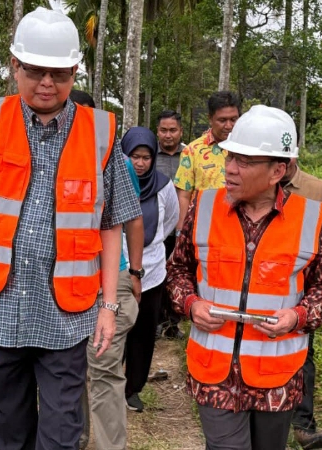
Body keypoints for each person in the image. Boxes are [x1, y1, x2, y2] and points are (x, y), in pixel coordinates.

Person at [0, 8, 142, 450]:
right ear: (15, 66)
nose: (47, 84)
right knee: (8, 436)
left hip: (67, 318)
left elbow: (111, 223)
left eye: (60, 74)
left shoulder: (101, 132)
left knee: (60, 439)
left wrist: (110, 305)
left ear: (75, 71)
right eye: (35, 71)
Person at [166, 105, 322, 450]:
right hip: (213, 371)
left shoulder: (308, 218)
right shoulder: (203, 207)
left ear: (278, 169)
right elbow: (177, 272)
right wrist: (190, 303)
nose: (230, 169)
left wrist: (297, 316)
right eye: (230, 157)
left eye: (244, 162)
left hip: (277, 375)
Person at [69, 89, 144, 450]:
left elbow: (131, 220)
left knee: (102, 368)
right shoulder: (51, 157)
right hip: (70, 280)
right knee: (71, 369)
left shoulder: (114, 158)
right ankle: (77, 439)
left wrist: (137, 273)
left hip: (109, 280)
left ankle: (110, 446)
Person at [281, 160, 322, 450]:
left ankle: (303, 425)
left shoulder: (317, 190)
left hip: (300, 292)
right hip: (253, 288)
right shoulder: (248, 184)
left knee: (303, 357)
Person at [120, 127, 180, 413]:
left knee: (144, 333)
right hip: (118, 268)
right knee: (117, 327)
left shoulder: (164, 186)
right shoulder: (116, 181)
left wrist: (150, 248)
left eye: (146, 157)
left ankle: (133, 388)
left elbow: (170, 221)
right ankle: (111, 380)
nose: (140, 163)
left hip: (153, 271)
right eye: (134, 156)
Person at [173, 90, 241, 232]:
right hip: (203, 228)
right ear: (210, 119)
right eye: (222, 120)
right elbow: (184, 196)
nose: (228, 126)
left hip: (240, 227)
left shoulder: (249, 149)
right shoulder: (192, 151)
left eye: (233, 119)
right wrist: (181, 231)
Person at [155, 109, 187, 340]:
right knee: (155, 273)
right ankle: (155, 322)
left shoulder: (189, 155)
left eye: (172, 130)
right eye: (163, 130)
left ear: (180, 132)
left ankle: (173, 323)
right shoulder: (147, 154)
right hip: (153, 227)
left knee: (177, 272)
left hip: (181, 225)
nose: (168, 135)